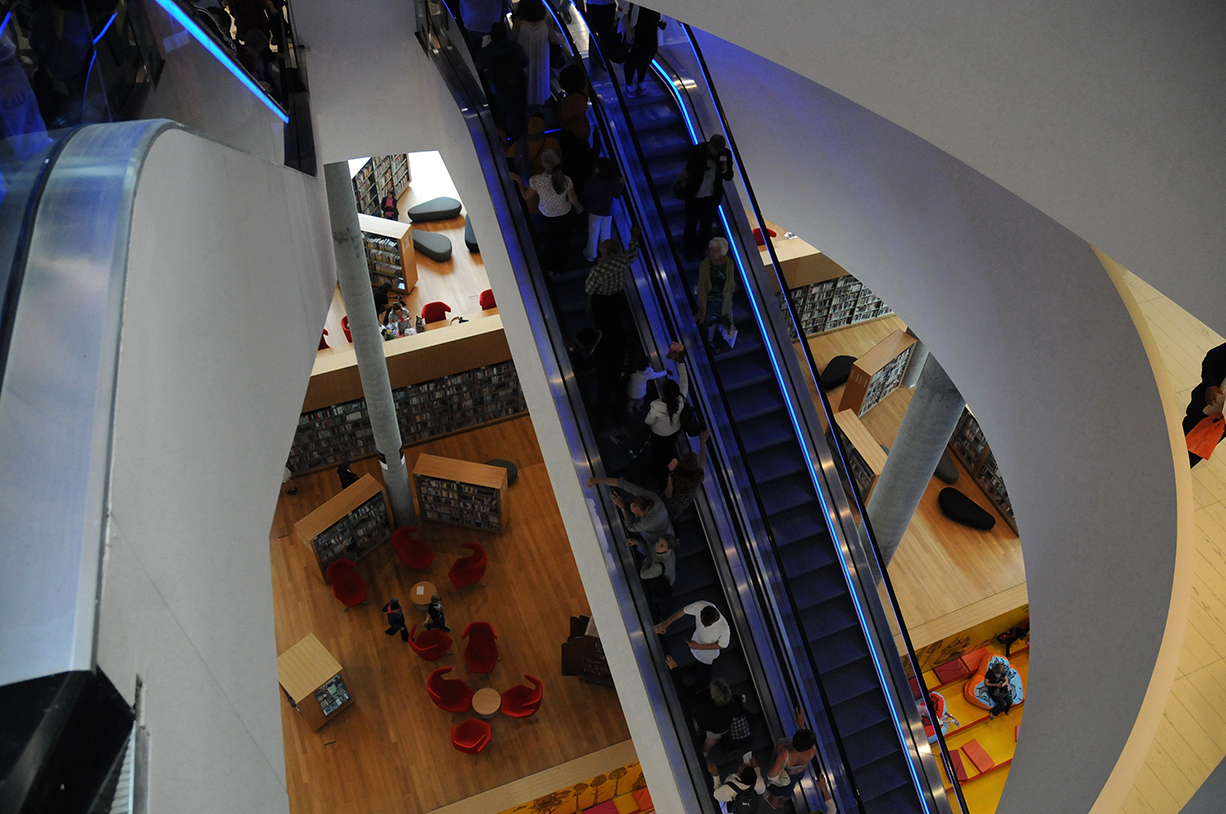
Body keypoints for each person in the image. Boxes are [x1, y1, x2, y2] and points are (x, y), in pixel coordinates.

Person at [512, 149, 582, 275]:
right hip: (564, 215)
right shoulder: (566, 179)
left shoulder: (536, 180)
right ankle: (561, 268)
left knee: (550, 243)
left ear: (545, 164)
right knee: (563, 242)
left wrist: (519, 180)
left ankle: (550, 268)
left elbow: (526, 196)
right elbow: (572, 199)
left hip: (547, 216)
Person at [681, 135, 734, 257]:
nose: (716, 153)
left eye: (718, 150)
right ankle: (689, 250)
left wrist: (725, 169)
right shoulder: (698, 150)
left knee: (706, 225)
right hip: (695, 195)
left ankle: (701, 250)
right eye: (715, 150)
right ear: (710, 146)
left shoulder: (726, 154)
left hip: (711, 197)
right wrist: (705, 166)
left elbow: (729, 176)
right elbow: (690, 169)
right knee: (691, 223)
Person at [585, 223, 641, 338]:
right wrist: (634, 237)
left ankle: (604, 337)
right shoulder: (622, 260)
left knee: (602, 322)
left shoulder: (597, 270)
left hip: (602, 299)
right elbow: (633, 252)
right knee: (616, 318)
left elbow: (589, 288)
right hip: (618, 295)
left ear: (605, 252)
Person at [655, 600, 730, 686]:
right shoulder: (700, 606)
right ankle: (693, 669)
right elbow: (683, 611)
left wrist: (699, 647)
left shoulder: (724, 628)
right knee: (698, 665)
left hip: (707, 655)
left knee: (704, 680)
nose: (704, 626)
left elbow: (722, 645)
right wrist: (666, 623)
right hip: (696, 643)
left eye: (707, 625)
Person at [478, 22, 529, 139]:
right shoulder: (516, 48)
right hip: (518, 88)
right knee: (519, 117)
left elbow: (478, 65)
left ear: (491, 36)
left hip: (499, 90)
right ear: (506, 34)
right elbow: (525, 62)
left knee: (501, 117)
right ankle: (519, 141)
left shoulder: (487, 51)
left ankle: (504, 140)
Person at [587, 475, 674, 542]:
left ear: (647, 509)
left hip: (655, 536)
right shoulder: (647, 496)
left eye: (637, 514)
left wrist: (623, 507)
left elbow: (631, 527)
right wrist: (598, 480)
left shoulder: (651, 521)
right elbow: (622, 484)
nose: (635, 516)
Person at [510, 0, 563, 108]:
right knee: (541, 77)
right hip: (542, 58)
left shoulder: (519, 23)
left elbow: (512, 41)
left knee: (527, 78)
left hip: (525, 58)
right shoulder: (546, 21)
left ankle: (527, 103)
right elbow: (553, 39)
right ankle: (540, 104)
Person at [645, 359, 690, 482]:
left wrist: (646, 425)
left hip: (658, 433)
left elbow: (650, 420)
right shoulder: (681, 399)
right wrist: (681, 363)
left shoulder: (655, 405)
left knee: (657, 451)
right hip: (675, 430)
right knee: (669, 448)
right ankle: (667, 465)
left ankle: (657, 468)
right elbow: (684, 381)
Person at [1184, 341, 1226, 467]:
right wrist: (1211, 384)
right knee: (1182, 433)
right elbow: (1211, 359)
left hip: (1221, 423)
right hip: (1205, 403)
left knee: (1197, 449)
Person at [695, 237, 738, 349]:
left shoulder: (728, 264)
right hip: (709, 297)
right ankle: (706, 340)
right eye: (712, 250)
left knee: (718, 319)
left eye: (715, 251)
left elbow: (730, 283)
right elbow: (702, 286)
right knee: (710, 319)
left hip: (722, 297)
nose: (712, 253)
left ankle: (710, 339)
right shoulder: (705, 264)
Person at [763, 724, 818, 810]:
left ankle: (774, 804)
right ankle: (782, 803)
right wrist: (801, 724)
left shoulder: (784, 756)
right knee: (789, 787)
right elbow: (806, 743)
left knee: (776, 789)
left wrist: (774, 755)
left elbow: (772, 774)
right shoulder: (812, 751)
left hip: (784, 776)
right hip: (798, 775)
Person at [557, 65, 593, 190]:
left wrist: (558, 103)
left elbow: (563, 119)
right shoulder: (583, 94)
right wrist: (579, 64)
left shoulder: (570, 102)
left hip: (572, 136)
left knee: (572, 163)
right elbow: (585, 81)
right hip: (583, 131)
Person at [583, 158, 625, 261]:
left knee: (593, 233)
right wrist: (621, 184)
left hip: (594, 210)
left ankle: (591, 254)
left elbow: (585, 194)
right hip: (608, 210)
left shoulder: (593, 179)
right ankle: (605, 254)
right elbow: (617, 195)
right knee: (606, 233)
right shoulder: (613, 179)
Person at [664, 428, 710, 520]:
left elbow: (668, 494)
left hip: (670, 503)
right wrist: (702, 442)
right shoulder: (698, 476)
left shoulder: (674, 475)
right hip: (683, 502)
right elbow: (703, 460)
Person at [620, 4, 665, 97]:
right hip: (636, 27)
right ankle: (629, 83)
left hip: (650, 28)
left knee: (646, 55)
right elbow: (623, 11)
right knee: (632, 56)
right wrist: (628, 32)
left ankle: (641, 80)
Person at [693, 678, 745, 756]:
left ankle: (691, 735)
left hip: (703, 720)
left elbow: (697, 702)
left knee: (695, 723)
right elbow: (738, 713)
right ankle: (705, 752)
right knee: (711, 739)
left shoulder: (705, 699)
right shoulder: (732, 705)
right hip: (719, 728)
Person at [633, 532, 678, 606]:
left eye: (662, 546)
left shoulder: (659, 566)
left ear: (668, 550)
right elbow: (649, 551)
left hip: (664, 582)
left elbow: (643, 575)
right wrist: (637, 543)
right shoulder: (664, 551)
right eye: (658, 542)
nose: (657, 545)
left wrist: (648, 561)